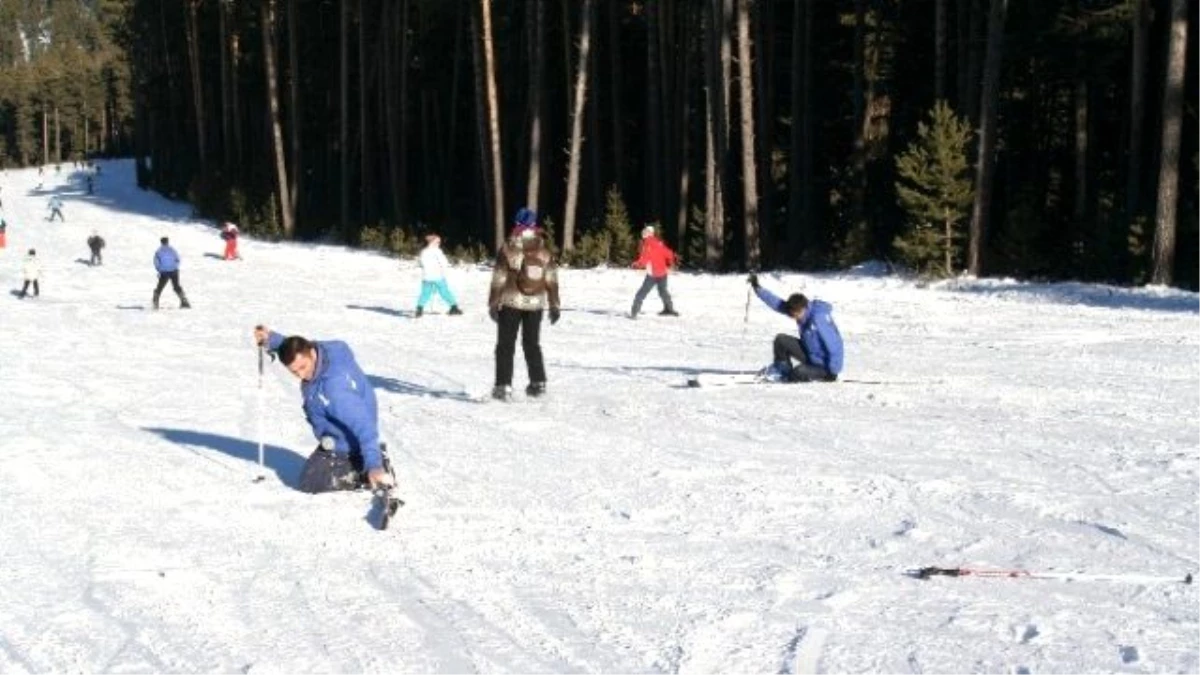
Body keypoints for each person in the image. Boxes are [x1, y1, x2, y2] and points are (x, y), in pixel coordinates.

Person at [253, 325, 394, 494]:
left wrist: (374, 464)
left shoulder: (333, 390)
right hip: (343, 424)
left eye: (303, 367)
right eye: (294, 371)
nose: (301, 375)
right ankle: (369, 457)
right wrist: (275, 340)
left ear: (312, 354)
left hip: (347, 439)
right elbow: (299, 348)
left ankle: (367, 469)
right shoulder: (326, 350)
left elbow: (364, 425)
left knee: (311, 481)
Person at [487, 207, 561, 401]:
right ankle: (538, 382)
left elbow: (499, 276)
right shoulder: (544, 250)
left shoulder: (509, 247)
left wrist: (493, 302)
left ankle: (503, 386)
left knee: (505, 345)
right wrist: (554, 305)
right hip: (536, 304)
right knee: (532, 343)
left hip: (511, 302)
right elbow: (551, 279)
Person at [748, 274, 844, 382]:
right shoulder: (799, 312)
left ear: (805, 307)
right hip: (810, 354)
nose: (795, 316)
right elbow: (778, 304)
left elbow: (834, 345)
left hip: (824, 366)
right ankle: (781, 369)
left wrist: (833, 371)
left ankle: (809, 375)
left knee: (798, 373)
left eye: (797, 313)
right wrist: (757, 288)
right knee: (781, 340)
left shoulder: (818, 319)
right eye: (793, 314)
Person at [630, 224, 678, 319]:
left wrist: (636, 264)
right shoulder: (659, 243)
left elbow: (644, 259)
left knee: (642, 292)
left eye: (644, 232)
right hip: (663, 273)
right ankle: (669, 309)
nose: (643, 234)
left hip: (653, 274)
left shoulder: (647, 244)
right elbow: (669, 254)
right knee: (663, 291)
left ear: (648, 234)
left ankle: (634, 312)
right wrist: (670, 263)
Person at [415, 233, 462, 317]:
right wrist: (444, 270)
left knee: (425, 293)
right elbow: (444, 262)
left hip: (427, 277)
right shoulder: (437, 251)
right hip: (438, 276)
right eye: (438, 242)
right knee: (444, 292)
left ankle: (419, 308)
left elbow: (421, 262)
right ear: (432, 242)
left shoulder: (424, 252)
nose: (439, 244)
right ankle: (453, 307)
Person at [152, 236, 191, 310]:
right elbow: (178, 259)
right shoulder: (172, 250)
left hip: (164, 272)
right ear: (167, 242)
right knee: (176, 286)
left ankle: (155, 303)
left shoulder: (158, 251)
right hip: (174, 271)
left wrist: (159, 270)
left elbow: (156, 262)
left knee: (160, 287)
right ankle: (184, 301)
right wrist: (175, 267)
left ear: (161, 242)